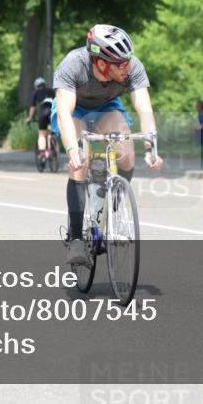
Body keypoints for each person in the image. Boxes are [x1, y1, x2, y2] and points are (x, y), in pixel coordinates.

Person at [52, 24, 165, 265]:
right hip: (75, 112)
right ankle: (75, 239)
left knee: (126, 154)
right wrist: (73, 151)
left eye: (128, 61)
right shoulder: (74, 64)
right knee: (80, 163)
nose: (127, 66)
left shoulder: (131, 66)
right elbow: (64, 112)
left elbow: (144, 107)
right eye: (120, 63)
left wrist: (150, 147)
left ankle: (113, 209)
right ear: (101, 62)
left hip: (107, 109)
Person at [26, 77, 56, 159]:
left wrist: (29, 118)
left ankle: (43, 153)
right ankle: (51, 150)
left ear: (36, 86)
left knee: (42, 134)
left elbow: (33, 107)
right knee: (51, 132)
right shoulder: (51, 91)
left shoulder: (35, 92)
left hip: (43, 113)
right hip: (52, 113)